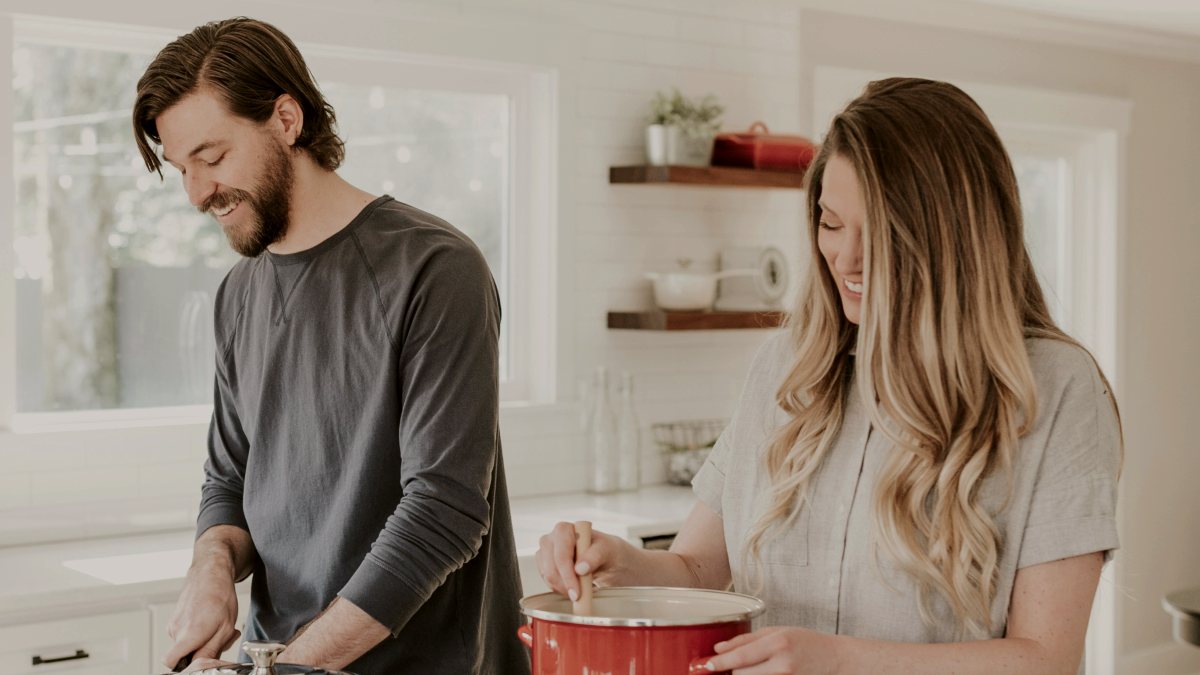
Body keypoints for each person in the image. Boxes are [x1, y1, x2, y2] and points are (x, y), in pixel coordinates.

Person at [537, 78, 1121, 675]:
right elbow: (698, 570)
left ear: (952, 240)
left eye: (882, 232)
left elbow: (1045, 658)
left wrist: (840, 662)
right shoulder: (787, 366)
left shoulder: (1055, 388)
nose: (846, 258)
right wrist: (615, 563)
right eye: (831, 223)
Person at [132, 17, 528, 674]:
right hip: (281, 657)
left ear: (286, 119)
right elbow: (230, 478)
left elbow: (445, 509)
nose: (199, 192)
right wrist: (210, 569)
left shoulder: (435, 268)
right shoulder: (239, 294)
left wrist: (294, 666)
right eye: (183, 169)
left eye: (213, 156)